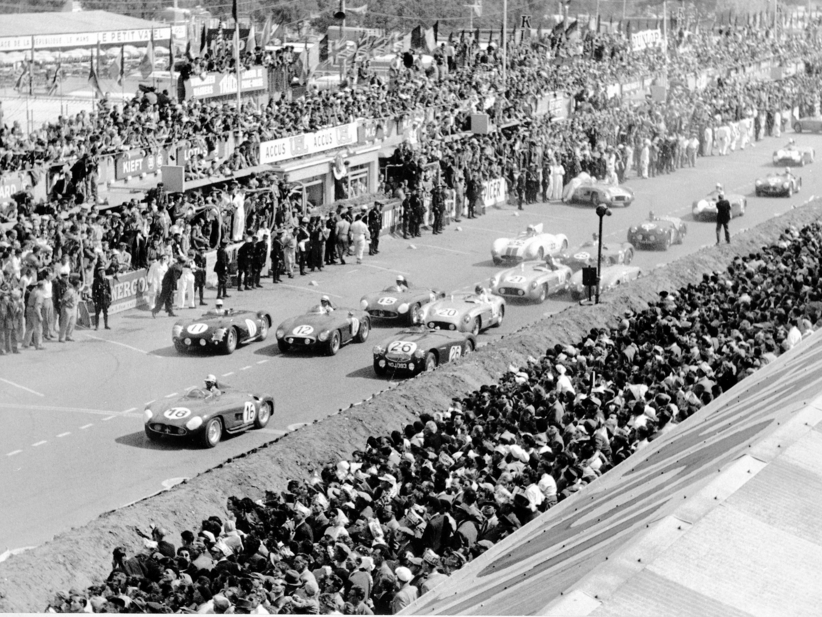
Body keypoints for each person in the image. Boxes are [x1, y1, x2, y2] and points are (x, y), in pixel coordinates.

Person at [22, 280, 46, 350]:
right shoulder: (40, 294)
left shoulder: (34, 290)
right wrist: (40, 316)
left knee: (29, 327)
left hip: (29, 308)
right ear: (42, 286)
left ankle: (26, 343)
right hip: (34, 311)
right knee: (38, 328)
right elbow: (37, 307)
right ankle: (38, 345)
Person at [58, 278, 80, 343]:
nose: (80, 286)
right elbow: (63, 300)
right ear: (76, 285)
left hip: (73, 308)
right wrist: (67, 304)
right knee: (65, 323)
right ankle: (61, 337)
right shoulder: (70, 291)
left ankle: (69, 336)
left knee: (72, 323)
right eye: (79, 284)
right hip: (67, 308)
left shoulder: (76, 291)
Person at [92, 266, 111, 330]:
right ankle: (97, 326)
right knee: (97, 313)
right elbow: (94, 291)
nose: (103, 274)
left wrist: (109, 299)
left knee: (105, 312)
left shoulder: (107, 280)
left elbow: (109, 290)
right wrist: (94, 300)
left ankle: (106, 325)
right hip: (99, 298)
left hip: (105, 298)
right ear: (99, 274)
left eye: (103, 273)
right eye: (101, 273)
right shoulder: (96, 281)